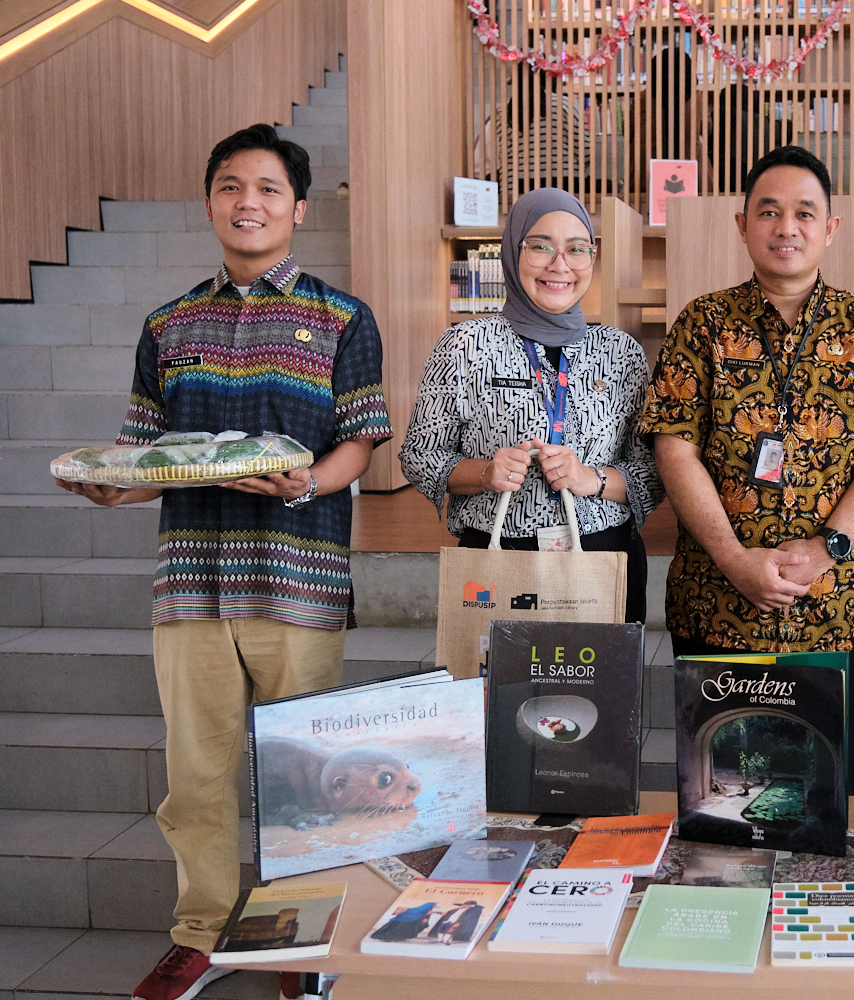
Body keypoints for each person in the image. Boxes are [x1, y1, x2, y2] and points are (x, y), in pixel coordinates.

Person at [54, 124, 392, 1000]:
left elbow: (361, 443)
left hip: (299, 580)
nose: (249, 202)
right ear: (211, 202)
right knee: (196, 774)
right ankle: (200, 931)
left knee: (306, 775)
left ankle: (304, 933)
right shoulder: (168, 324)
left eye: (269, 188)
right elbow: (146, 455)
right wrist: (109, 490)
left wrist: (309, 482)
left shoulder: (343, 318)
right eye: (231, 186)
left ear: (298, 208)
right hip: (191, 581)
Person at [638, 145, 854, 786]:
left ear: (830, 229)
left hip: (840, 605)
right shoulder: (703, 323)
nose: (786, 227)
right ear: (742, 224)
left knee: (827, 791)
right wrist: (735, 559)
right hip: (717, 600)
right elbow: (673, 445)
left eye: (805, 212)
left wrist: (832, 545)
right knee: (721, 793)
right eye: (768, 212)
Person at [400, 188, 663, 622]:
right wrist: (486, 473)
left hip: (601, 557)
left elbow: (653, 472)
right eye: (540, 246)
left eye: (577, 249)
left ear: (591, 260)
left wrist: (590, 478)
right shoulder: (466, 346)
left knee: (599, 689)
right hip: (499, 561)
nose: (560, 265)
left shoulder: (621, 353)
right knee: (503, 689)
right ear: (512, 250)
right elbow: (421, 455)